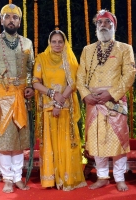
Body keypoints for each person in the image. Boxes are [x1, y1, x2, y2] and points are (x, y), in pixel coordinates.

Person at [76, 9, 136, 192]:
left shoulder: (125, 49)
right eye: (100, 23)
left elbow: (129, 75)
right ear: (96, 27)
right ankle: (102, 176)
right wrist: (86, 95)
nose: (103, 25)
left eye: (107, 22)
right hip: (94, 102)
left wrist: (111, 94)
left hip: (114, 102)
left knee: (118, 139)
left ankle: (119, 178)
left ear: (114, 26)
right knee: (96, 140)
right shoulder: (88, 50)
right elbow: (80, 76)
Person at [0, 4, 34, 193]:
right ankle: (7, 179)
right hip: (1, 97)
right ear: (2, 20)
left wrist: (30, 87)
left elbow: (31, 70)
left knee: (19, 141)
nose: (11, 20)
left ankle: (18, 177)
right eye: (8, 17)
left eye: (15, 17)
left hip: (21, 97)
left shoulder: (27, 43)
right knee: (5, 141)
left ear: (20, 22)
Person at [32, 30, 87, 191]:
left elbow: (73, 83)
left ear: (65, 43)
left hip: (64, 108)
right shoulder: (41, 58)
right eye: (54, 41)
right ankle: (51, 179)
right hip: (47, 108)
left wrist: (59, 103)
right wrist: (51, 93)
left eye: (60, 42)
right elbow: (35, 82)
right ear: (49, 42)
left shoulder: (69, 60)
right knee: (49, 143)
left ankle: (66, 178)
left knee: (66, 143)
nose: (57, 45)